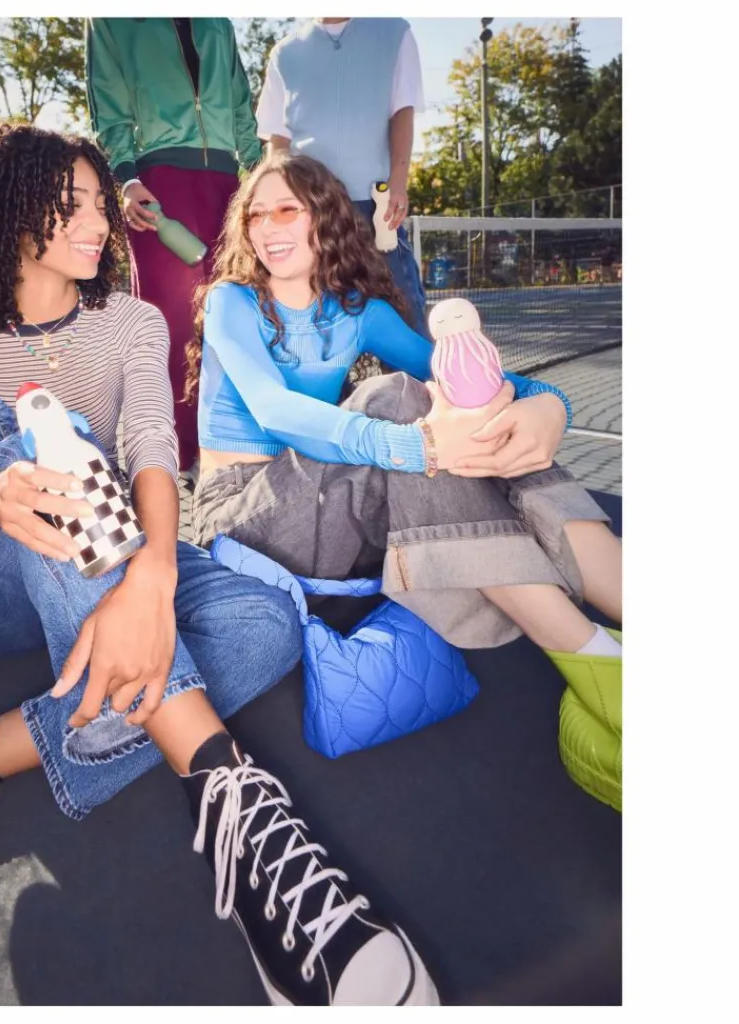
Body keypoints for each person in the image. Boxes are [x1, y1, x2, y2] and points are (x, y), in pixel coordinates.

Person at [0, 124, 441, 1007]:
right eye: (71, 204)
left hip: (120, 548)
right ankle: (243, 811)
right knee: (45, 444)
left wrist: (154, 579)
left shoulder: (129, 320)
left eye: (98, 203)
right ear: (7, 214)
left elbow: (154, 449)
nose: (100, 221)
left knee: (267, 625)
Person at [186, 152, 622, 692]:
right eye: (256, 215)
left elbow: (456, 376)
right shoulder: (235, 300)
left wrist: (548, 404)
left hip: (333, 517)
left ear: (325, 218)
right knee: (395, 398)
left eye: (287, 210)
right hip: (243, 522)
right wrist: (422, 447)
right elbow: (274, 410)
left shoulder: (358, 311)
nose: (267, 227)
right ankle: (596, 659)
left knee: (456, 411)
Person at [85, 17, 263, 484]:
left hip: (229, 185)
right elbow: (109, 104)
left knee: (240, 313)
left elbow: (242, 107)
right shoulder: (111, 20)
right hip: (158, 185)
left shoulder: (218, 24)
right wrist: (125, 177)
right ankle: (185, 453)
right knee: (175, 323)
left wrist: (262, 175)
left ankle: (241, 437)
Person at [256, 17, 430, 339]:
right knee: (317, 323)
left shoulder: (394, 32)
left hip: (374, 206)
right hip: (310, 213)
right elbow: (277, 142)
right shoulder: (285, 52)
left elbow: (402, 113)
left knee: (404, 312)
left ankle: (421, 389)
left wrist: (398, 183)